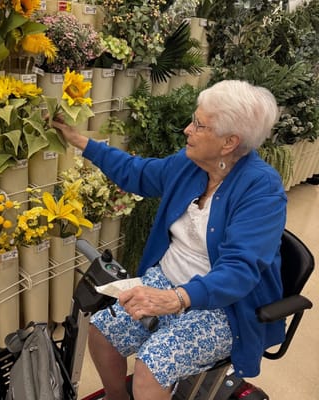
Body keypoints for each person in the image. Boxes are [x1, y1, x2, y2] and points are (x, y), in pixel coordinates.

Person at [52, 80, 287, 400]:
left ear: (229, 142)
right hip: (167, 281)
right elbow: (139, 173)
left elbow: (240, 270)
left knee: (151, 367)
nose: (187, 129)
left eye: (199, 125)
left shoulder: (261, 189)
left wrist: (177, 299)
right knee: (102, 331)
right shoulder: (191, 162)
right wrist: (80, 141)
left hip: (224, 307)